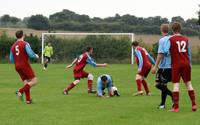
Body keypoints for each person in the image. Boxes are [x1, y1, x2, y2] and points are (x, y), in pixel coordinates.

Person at [164, 22, 197, 112]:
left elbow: (166, 51)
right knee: (188, 83)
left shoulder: (170, 39)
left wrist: (171, 53)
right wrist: (190, 64)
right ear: (180, 29)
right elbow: (189, 53)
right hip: (186, 63)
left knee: (176, 84)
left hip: (176, 64)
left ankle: (176, 107)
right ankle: (194, 105)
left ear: (172, 29)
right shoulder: (186, 39)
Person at [9, 30, 39, 104]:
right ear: (23, 35)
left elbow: (11, 59)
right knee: (34, 81)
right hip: (24, 65)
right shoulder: (25, 43)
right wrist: (36, 56)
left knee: (27, 83)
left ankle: (28, 100)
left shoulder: (13, 46)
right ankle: (20, 91)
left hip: (17, 66)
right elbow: (30, 54)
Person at [151, 24, 173, 109]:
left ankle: (173, 96)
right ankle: (162, 104)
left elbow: (160, 54)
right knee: (163, 85)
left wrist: (155, 66)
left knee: (157, 85)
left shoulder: (162, 40)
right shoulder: (172, 39)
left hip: (164, 67)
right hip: (172, 66)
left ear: (161, 30)